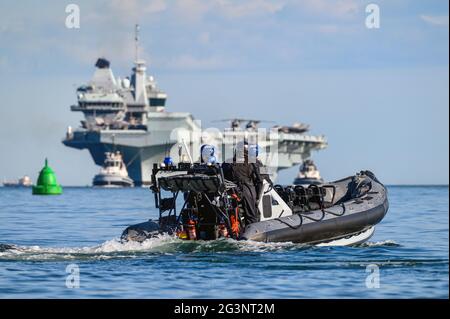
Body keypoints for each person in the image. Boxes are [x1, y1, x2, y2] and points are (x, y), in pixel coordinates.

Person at [222, 141, 263, 225]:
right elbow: (261, 180)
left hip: (231, 192)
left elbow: (222, 177)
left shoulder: (227, 162)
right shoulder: (255, 162)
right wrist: (258, 196)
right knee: (251, 216)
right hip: (248, 191)